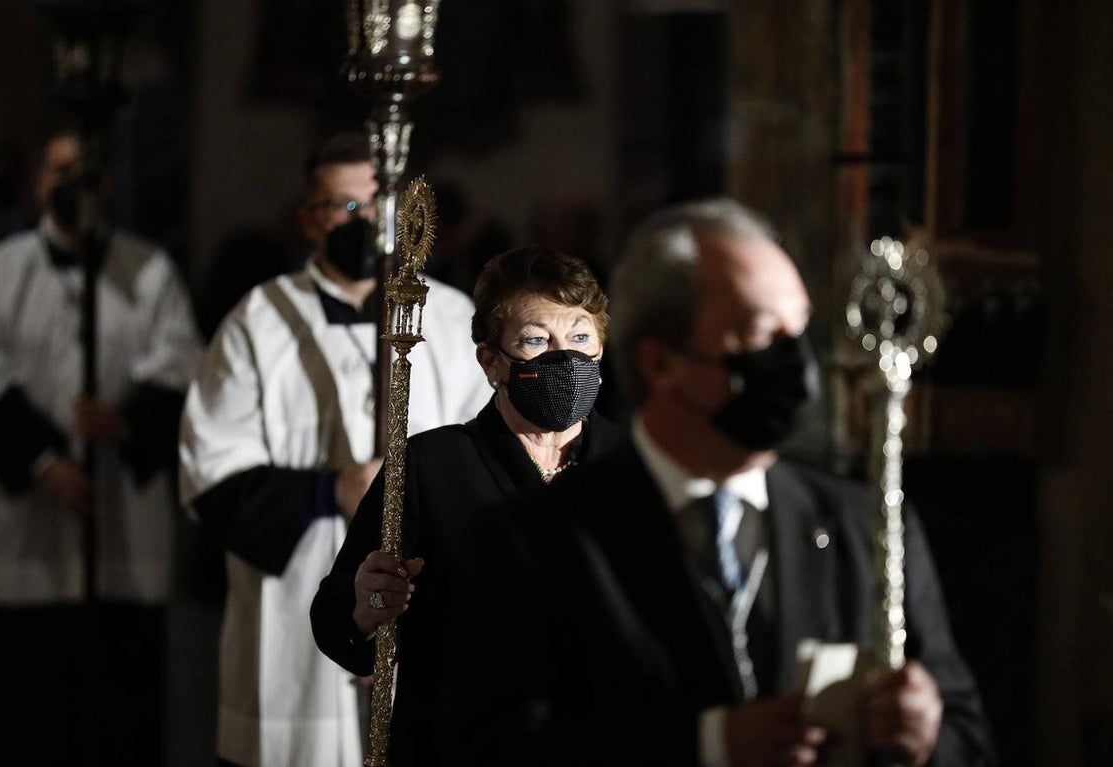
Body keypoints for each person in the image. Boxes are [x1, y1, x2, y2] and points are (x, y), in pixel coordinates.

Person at [453, 198, 995, 766]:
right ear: (661, 364)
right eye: (763, 335)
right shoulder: (536, 542)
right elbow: (489, 749)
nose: (795, 363)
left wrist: (929, 736)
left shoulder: (868, 524)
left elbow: (970, 738)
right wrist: (706, 748)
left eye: (800, 330)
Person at [178, 131, 490, 767]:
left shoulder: (454, 318)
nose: (362, 223)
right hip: (296, 602)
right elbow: (210, 473)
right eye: (340, 207)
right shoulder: (258, 320)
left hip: (422, 599)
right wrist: (332, 490)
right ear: (307, 220)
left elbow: (482, 462)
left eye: (373, 207)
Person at [310, 244, 626, 765]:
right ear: (490, 360)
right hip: (462, 744)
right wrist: (366, 610)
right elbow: (334, 620)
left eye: (579, 336)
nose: (562, 357)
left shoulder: (630, 464)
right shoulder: (429, 465)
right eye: (534, 340)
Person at [0, 130, 202, 765]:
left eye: (88, 171)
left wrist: (123, 423)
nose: (74, 184)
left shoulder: (149, 270)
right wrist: (44, 462)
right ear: (40, 182)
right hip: (26, 536)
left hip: (119, 526)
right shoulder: (0, 271)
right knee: (23, 721)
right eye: (61, 170)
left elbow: (181, 366)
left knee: (117, 721)